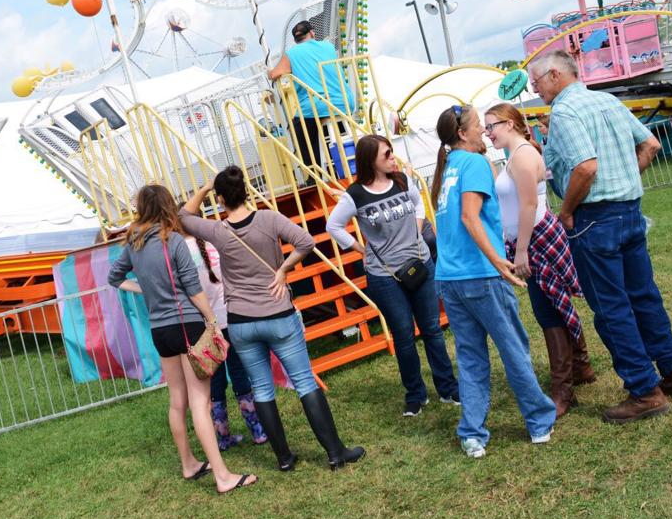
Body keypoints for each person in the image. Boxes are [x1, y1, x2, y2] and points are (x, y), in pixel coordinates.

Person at [531, 49, 672, 424]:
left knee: (611, 308)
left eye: (536, 81)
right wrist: (625, 181)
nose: (535, 89)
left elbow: (586, 168)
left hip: (595, 220)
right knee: (644, 296)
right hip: (629, 212)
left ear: (555, 75)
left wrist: (568, 210)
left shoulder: (566, 112)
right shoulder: (607, 101)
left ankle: (644, 390)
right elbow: (650, 145)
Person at [181, 166, 364, 472]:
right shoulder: (268, 218)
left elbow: (184, 216)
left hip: (240, 320)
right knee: (304, 381)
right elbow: (306, 242)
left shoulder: (218, 231)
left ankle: (284, 458)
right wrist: (283, 269)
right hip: (278, 313)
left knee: (262, 388)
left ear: (222, 199)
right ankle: (335, 452)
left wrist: (205, 187)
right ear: (247, 191)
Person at [106, 185, 256, 494]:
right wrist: (212, 321)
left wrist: (144, 290)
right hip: (187, 324)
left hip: (160, 331)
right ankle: (223, 477)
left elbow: (115, 277)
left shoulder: (133, 244)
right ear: (167, 208)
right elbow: (193, 288)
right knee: (200, 404)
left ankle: (188, 463)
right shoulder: (172, 241)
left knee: (178, 401)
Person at [431, 105, 556, 459]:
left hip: (451, 279)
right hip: (480, 276)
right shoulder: (473, 164)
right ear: (462, 134)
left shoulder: (448, 168)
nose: (484, 133)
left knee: (470, 359)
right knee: (513, 348)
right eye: (478, 126)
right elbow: (471, 219)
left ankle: (472, 434)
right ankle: (539, 421)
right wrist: (497, 262)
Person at [326, 134, 459, 417]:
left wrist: (418, 227)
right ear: (370, 160)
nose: (392, 158)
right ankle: (416, 395)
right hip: (386, 277)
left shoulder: (401, 180)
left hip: (421, 263)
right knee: (403, 335)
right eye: (386, 154)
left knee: (433, 329)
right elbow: (333, 226)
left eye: (391, 152)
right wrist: (362, 250)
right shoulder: (356, 194)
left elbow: (419, 203)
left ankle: (447, 388)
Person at [484, 103, 596, 416]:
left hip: (535, 238)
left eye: (491, 125)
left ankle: (564, 389)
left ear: (508, 123)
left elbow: (529, 204)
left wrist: (521, 250)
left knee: (548, 309)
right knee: (555, 304)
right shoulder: (516, 154)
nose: (487, 131)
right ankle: (580, 367)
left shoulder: (521, 155)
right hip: (531, 237)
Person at [195, 240, 268, 450]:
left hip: (205, 326)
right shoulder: (214, 243)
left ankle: (223, 438)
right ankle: (258, 432)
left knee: (215, 380)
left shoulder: (178, 249)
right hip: (230, 318)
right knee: (239, 373)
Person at [267, 20, 353, 172]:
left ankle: (314, 175)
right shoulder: (328, 46)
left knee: (300, 129)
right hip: (344, 102)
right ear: (312, 32)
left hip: (316, 105)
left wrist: (269, 71)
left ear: (295, 40)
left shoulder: (292, 53)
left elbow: (274, 74)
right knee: (331, 129)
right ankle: (341, 166)